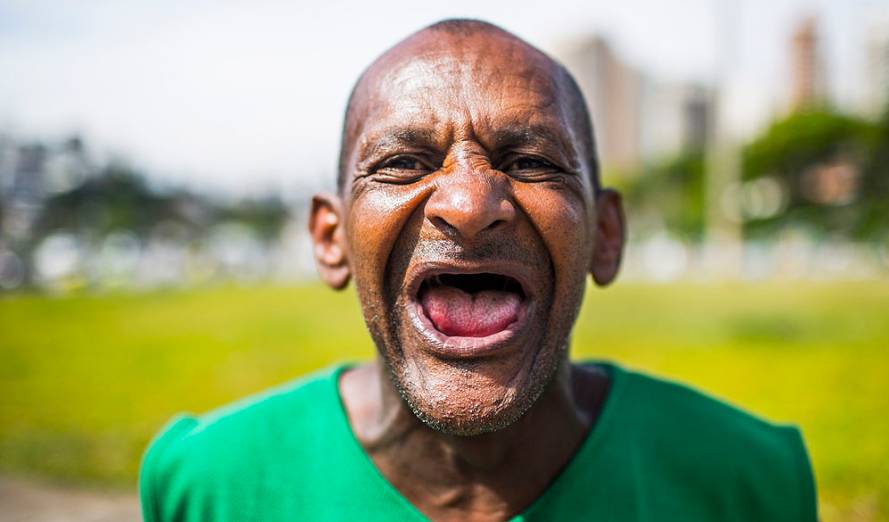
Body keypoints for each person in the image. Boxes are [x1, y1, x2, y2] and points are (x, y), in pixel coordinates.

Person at [140, 19, 817, 522]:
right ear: (332, 237)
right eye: (402, 163)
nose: (468, 205)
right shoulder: (208, 484)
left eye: (531, 163)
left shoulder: (749, 482)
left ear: (605, 234)